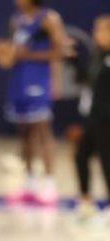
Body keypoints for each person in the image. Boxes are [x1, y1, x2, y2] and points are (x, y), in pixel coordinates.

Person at [0, 0, 67, 205]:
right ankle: (29, 182)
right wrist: (4, 54)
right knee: (24, 133)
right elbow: (13, 53)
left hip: (39, 80)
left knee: (43, 131)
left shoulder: (48, 18)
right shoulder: (16, 20)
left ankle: (50, 185)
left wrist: (32, 55)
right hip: (19, 80)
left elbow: (61, 51)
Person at [75, 15, 110, 221]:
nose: (95, 34)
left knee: (107, 161)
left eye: (100, 30)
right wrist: (71, 60)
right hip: (94, 116)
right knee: (81, 156)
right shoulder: (99, 55)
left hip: (107, 118)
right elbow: (88, 80)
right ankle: (86, 201)